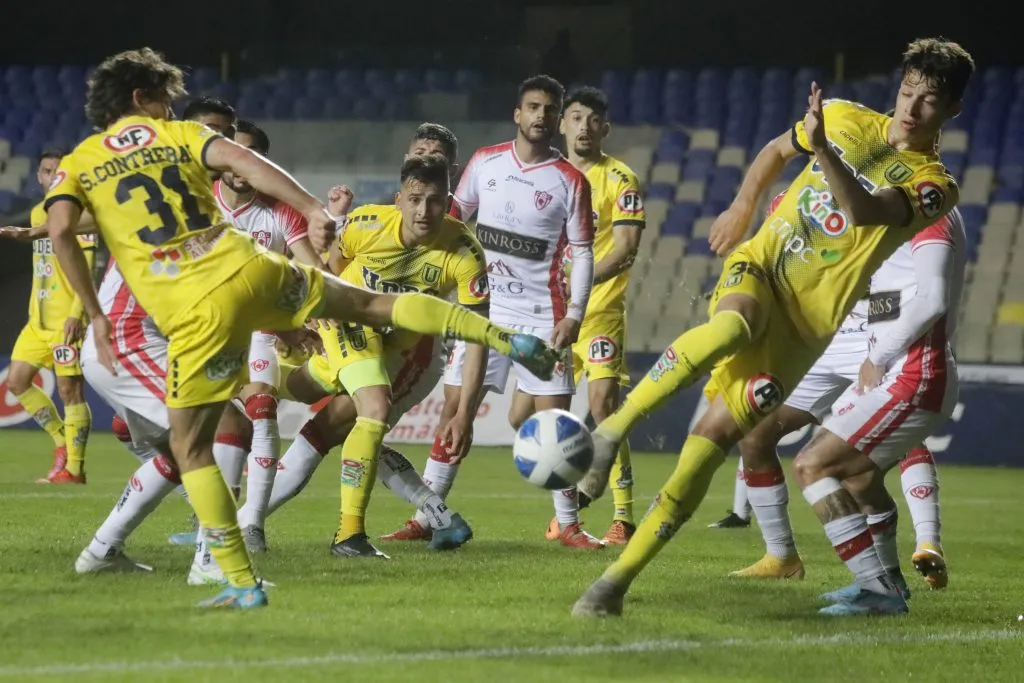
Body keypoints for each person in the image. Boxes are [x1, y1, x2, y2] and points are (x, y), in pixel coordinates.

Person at [41, 47, 560, 609]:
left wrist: (92, 312)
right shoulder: (181, 138)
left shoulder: (81, 160)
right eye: (165, 101)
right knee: (372, 306)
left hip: (196, 308)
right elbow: (246, 164)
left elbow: (62, 229)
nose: (171, 111)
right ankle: (512, 340)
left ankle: (239, 579)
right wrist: (312, 205)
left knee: (197, 447)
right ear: (141, 99)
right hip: (253, 267)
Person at [570, 37, 973, 618]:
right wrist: (743, 203)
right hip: (763, 262)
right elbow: (775, 150)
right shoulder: (842, 116)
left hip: (805, 329)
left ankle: (613, 584)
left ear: (952, 110)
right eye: (908, 92)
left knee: (706, 451)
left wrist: (823, 152)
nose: (911, 109)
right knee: (733, 325)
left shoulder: (934, 184)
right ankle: (611, 434)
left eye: (929, 101)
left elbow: (865, 213)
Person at [727, 211, 958, 592]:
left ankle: (925, 541)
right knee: (755, 431)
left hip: (879, 331)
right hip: (827, 337)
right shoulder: (795, 200)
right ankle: (781, 556)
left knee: (887, 442)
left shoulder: (889, 195)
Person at [444, 74, 601, 549]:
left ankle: (568, 525)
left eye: (549, 110)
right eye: (532, 107)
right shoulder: (485, 163)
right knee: (454, 410)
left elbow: (584, 252)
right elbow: (453, 223)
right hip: (485, 309)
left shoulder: (570, 181)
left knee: (556, 424)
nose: (540, 116)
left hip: (541, 313)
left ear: (556, 121)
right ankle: (429, 511)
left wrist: (574, 313)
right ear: (517, 113)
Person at [791, 206, 965, 612]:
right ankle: (890, 583)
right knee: (860, 480)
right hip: (897, 372)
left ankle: (878, 591)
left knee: (812, 466)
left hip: (913, 374)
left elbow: (933, 299)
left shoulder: (928, 208)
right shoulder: (894, 218)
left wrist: (880, 356)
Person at [538, 85, 646, 545]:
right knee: (534, 414)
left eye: (592, 119)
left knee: (603, 405)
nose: (583, 126)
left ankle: (623, 516)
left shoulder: (620, 179)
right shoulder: (543, 177)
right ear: (562, 124)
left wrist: (578, 284)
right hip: (547, 315)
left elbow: (625, 248)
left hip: (598, 313)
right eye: (575, 117)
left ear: (605, 128)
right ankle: (569, 513)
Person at [1, 150, 96, 483]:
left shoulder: (75, 214)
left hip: (64, 322)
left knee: (70, 391)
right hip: (36, 322)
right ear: (39, 176)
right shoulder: (37, 213)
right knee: (17, 382)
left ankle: (75, 469)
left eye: (59, 171)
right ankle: (62, 445)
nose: (52, 176)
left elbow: (88, 267)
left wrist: (76, 314)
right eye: (46, 171)